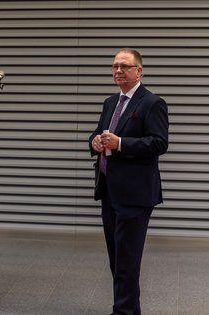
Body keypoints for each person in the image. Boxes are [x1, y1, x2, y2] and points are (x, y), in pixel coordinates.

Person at [88, 48, 169, 315]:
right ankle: (129, 310)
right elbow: (98, 133)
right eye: (114, 66)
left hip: (135, 195)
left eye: (124, 66)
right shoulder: (110, 102)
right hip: (110, 191)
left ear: (139, 71)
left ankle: (122, 312)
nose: (118, 71)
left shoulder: (152, 102)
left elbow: (158, 143)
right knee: (117, 258)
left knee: (127, 260)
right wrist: (95, 141)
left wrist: (121, 143)